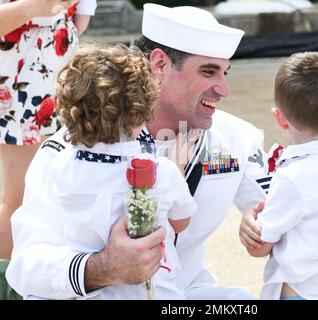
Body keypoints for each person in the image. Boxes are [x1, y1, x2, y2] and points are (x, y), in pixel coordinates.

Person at [10, 3, 318, 300]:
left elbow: (290, 211)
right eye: (209, 71)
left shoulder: (235, 141)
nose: (224, 89)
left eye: (226, 72)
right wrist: (102, 267)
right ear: (160, 64)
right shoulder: (72, 146)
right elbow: (25, 267)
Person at [6, 43, 198, 299]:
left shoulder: (62, 166)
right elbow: (25, 267)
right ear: (141, 109)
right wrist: (102, 267)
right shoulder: (54, 154)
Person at [242, 52, 318, 300]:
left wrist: (249, 220)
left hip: (298, 292)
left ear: (280, 118)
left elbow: (261, 245)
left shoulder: (292, 177)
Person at [0, 0, 97, 284]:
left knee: (50, 191)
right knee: (19, 198)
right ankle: (10, 285)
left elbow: (82, 14)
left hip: (53, 67)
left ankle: (34, 280)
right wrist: (35, 8)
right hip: (23, 69)